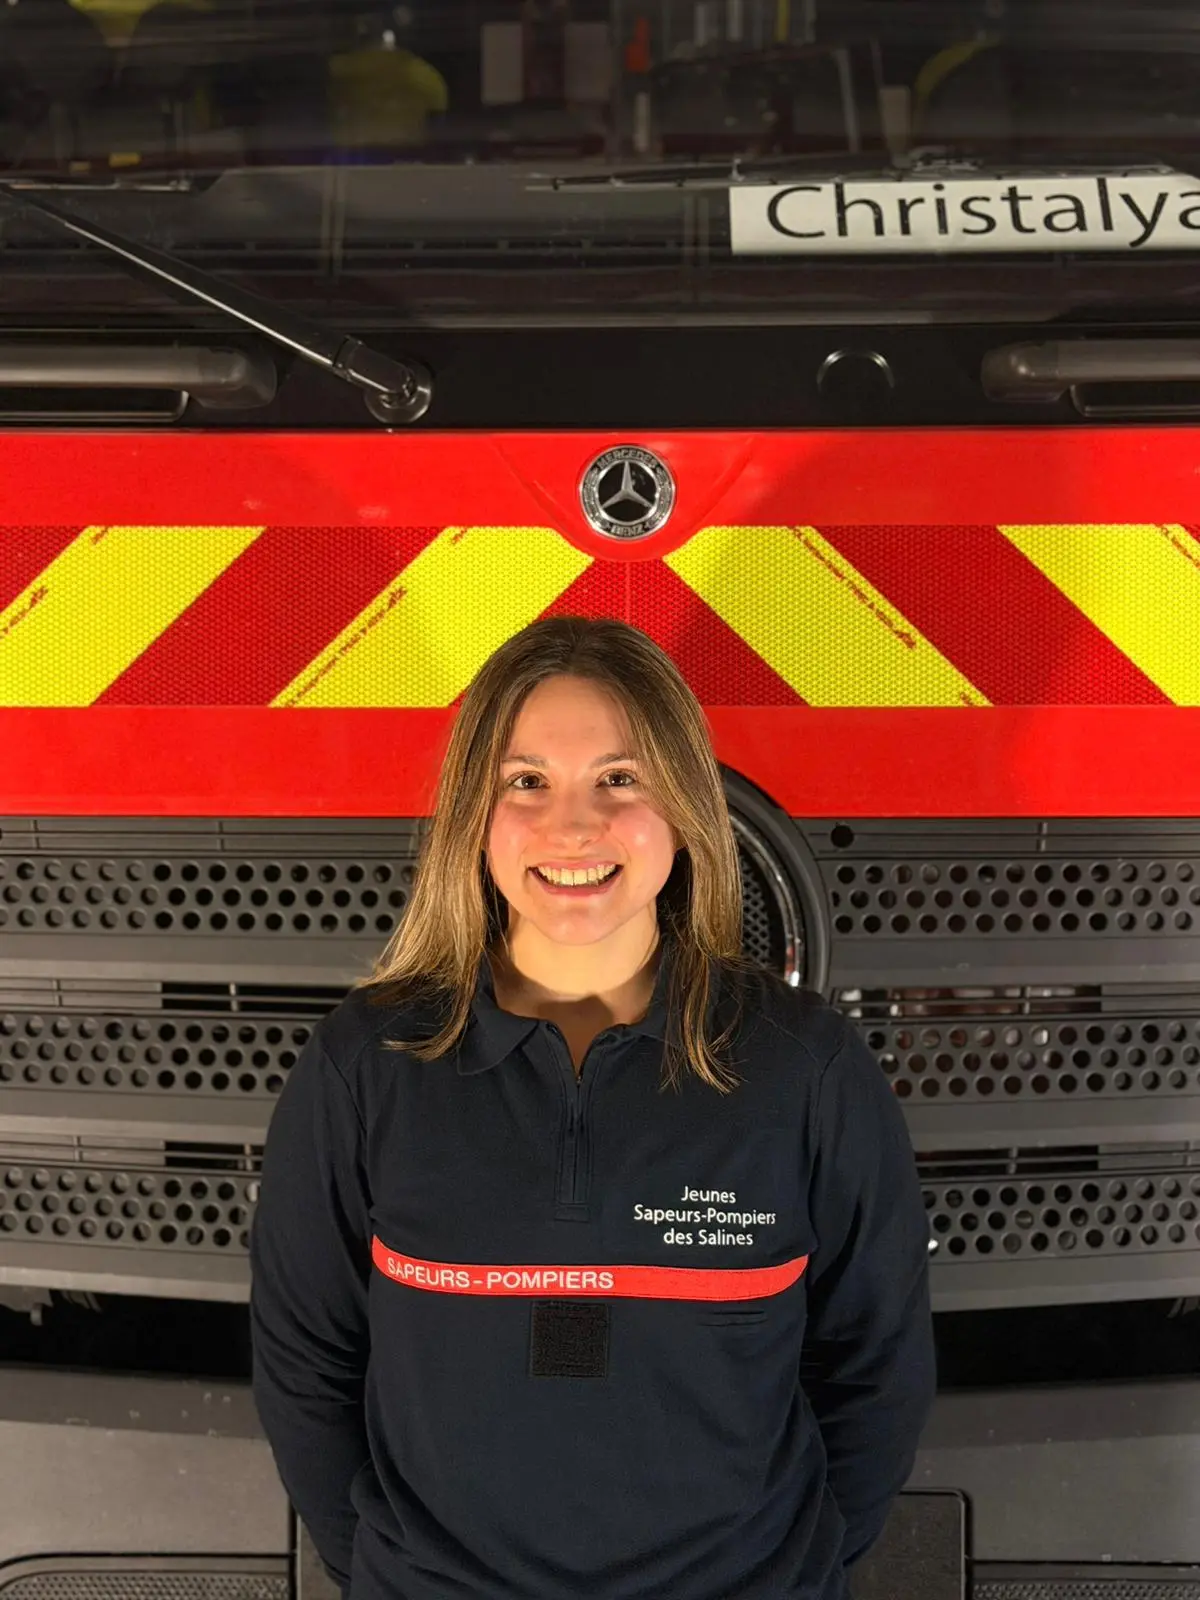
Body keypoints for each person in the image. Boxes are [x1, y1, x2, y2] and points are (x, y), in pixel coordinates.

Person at [249, 615, 936, 1600]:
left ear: (684, 807)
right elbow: (306, 1363)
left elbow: (877, 1372)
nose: (573, 826)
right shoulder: (367, 1064)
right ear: (474, 813)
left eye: (620, 778)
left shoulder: (807, 1070)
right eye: (526, 781)